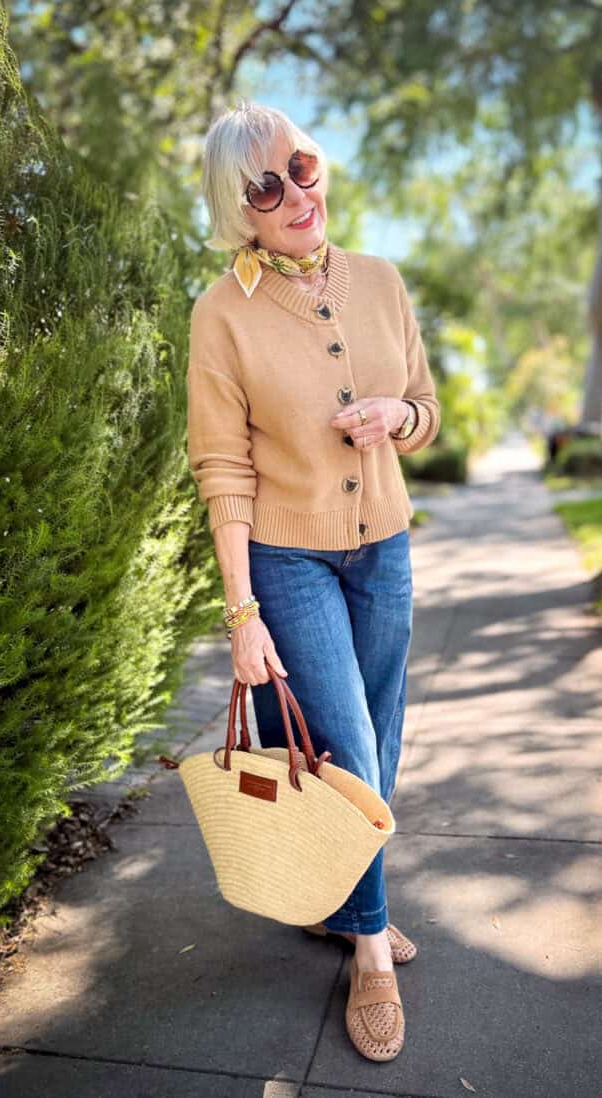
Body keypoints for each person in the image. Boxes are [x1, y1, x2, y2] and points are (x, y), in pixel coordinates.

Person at [187, 100, 440, 1062]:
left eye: (301, 165)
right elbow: (224, 470)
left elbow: (425, 408)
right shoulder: (222, 315)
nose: (296, 193)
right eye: (266, 185)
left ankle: (341, 901)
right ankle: (371, 950)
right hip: (288, 561)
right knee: (348, 747)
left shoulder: (380, 282)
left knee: (379, 738)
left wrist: (399, 420)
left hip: (386, 546)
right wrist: (242, 609)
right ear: (238, 209)